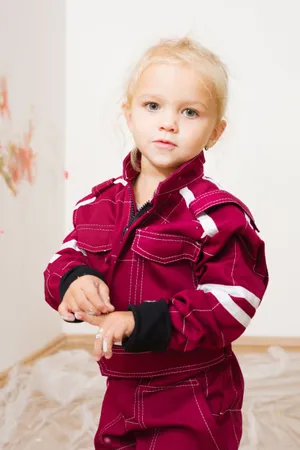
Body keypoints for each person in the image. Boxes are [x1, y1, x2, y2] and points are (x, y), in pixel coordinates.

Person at [43, 37, 268, 449]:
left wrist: (141, 322)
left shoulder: (215, 214)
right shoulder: (99, 202)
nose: (169, 123)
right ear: (129, 114)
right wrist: (73, 280)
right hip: (121, 388)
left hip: (192, 390)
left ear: (215, 131)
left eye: (190, 111)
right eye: (153, 106)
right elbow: (66, 255)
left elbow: (235, 299)